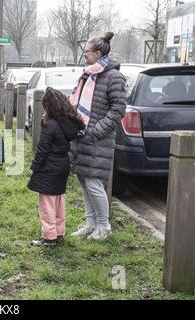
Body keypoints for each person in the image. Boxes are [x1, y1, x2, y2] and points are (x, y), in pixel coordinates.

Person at [69, 32, 127, 241]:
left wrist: (96, 130)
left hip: (96, 138)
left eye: (86, 51)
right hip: (82, 136)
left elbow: (119, 108)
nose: (84, 54)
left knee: (94, 183)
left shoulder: (113, 76)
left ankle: (104, 226)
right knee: (85, 181)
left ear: (98, 53)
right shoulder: (88, 74)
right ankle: (91, 223)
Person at [28, 87, 85, 246]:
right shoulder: (67, 124)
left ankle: (49, 237)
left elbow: (42, 150)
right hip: (62, 166)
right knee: (59, 201)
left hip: (48, 168)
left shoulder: (50, 126)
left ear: (49, 107)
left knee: (46, 205)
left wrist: (34, 168)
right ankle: (59, 232)